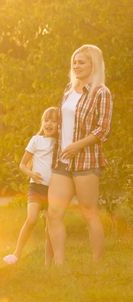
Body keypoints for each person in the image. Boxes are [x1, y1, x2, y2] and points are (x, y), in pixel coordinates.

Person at [47, 44, 113, 266]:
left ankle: (97, 265)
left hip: (86, 160)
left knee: (88, 211)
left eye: (81, 62)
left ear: (93, 64)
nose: (76, 66)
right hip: (62, 161)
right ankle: (59, 266)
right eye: (74, 62)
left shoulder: (101, 92)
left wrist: (77, 146)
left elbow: (102, 129)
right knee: (54, 212)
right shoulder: (68, 89)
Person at [3, 107, 58, 266]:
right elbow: (22, 164)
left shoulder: (59, 143)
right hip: (36, 187)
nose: (49, 124)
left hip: (53, 190)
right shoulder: (36, 140)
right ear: (42, 122)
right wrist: (32, 174)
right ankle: (16, 254)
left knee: (51, 226)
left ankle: (48, 264)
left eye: (54, 121)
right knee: (32, 219)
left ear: (59, 125)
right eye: (47, 120)